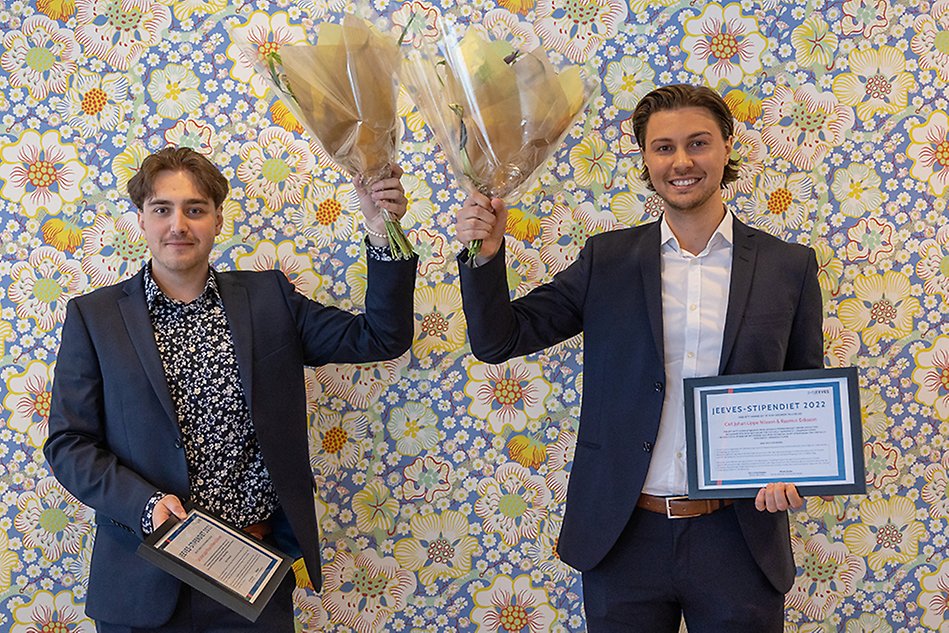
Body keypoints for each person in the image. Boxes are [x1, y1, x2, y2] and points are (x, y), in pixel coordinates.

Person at [455, 84, 824, 632]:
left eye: (697, 143)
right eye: (663, 147)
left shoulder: (787, 266)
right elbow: (499, 341)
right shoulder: (608, 260)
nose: (681, 161)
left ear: (727, 146)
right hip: (624, 533)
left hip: (739, 537)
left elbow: (806, 389)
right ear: (646, 159)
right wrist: (484, 259)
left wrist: (793, 469)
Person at [44, 146, 417, 632]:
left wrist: (380, 228)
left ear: (217, 219)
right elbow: (69, 444)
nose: (178, 224)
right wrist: (145, 506)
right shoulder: (93, 318)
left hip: (252, 579)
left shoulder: (269, 300)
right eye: (162, 209)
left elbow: (381, 337)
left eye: (194, 209)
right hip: (142, 582)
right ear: (141, 219)